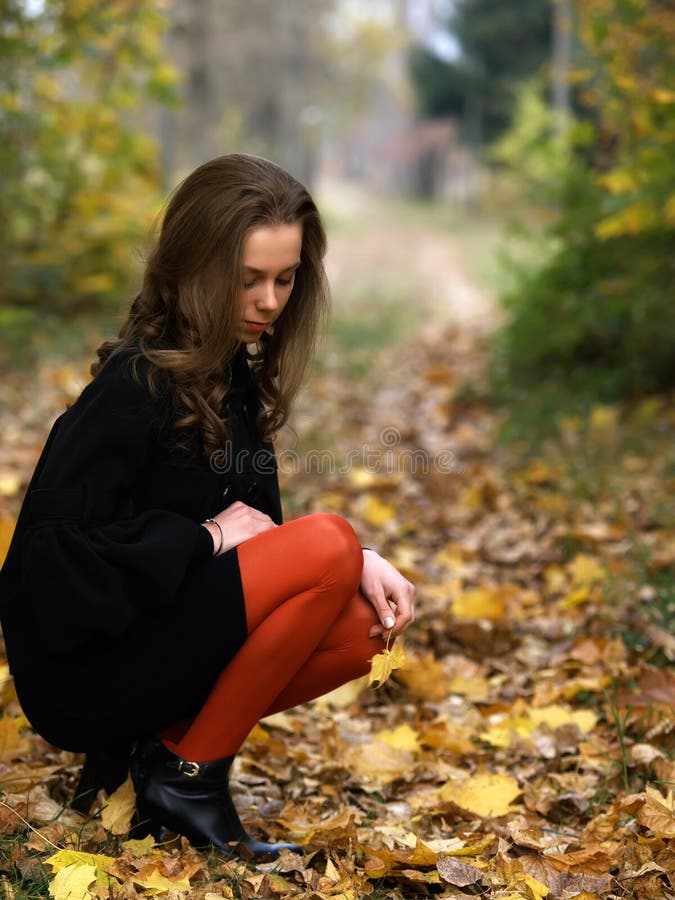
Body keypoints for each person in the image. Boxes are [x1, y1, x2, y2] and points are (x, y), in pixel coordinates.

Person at [0, 154, 415, 860]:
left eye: (285, 279)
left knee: (370, 628)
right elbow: (46, 566)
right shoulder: (132, 384)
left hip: (158, 641)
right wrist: (202, 539)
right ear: (193, 269)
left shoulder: (232, 382)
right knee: (331, 543)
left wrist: (357, 563)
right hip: (81, 672)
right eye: (247, 279)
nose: (269, 301)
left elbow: (265, 546)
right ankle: (191, 779)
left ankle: (156, 761)